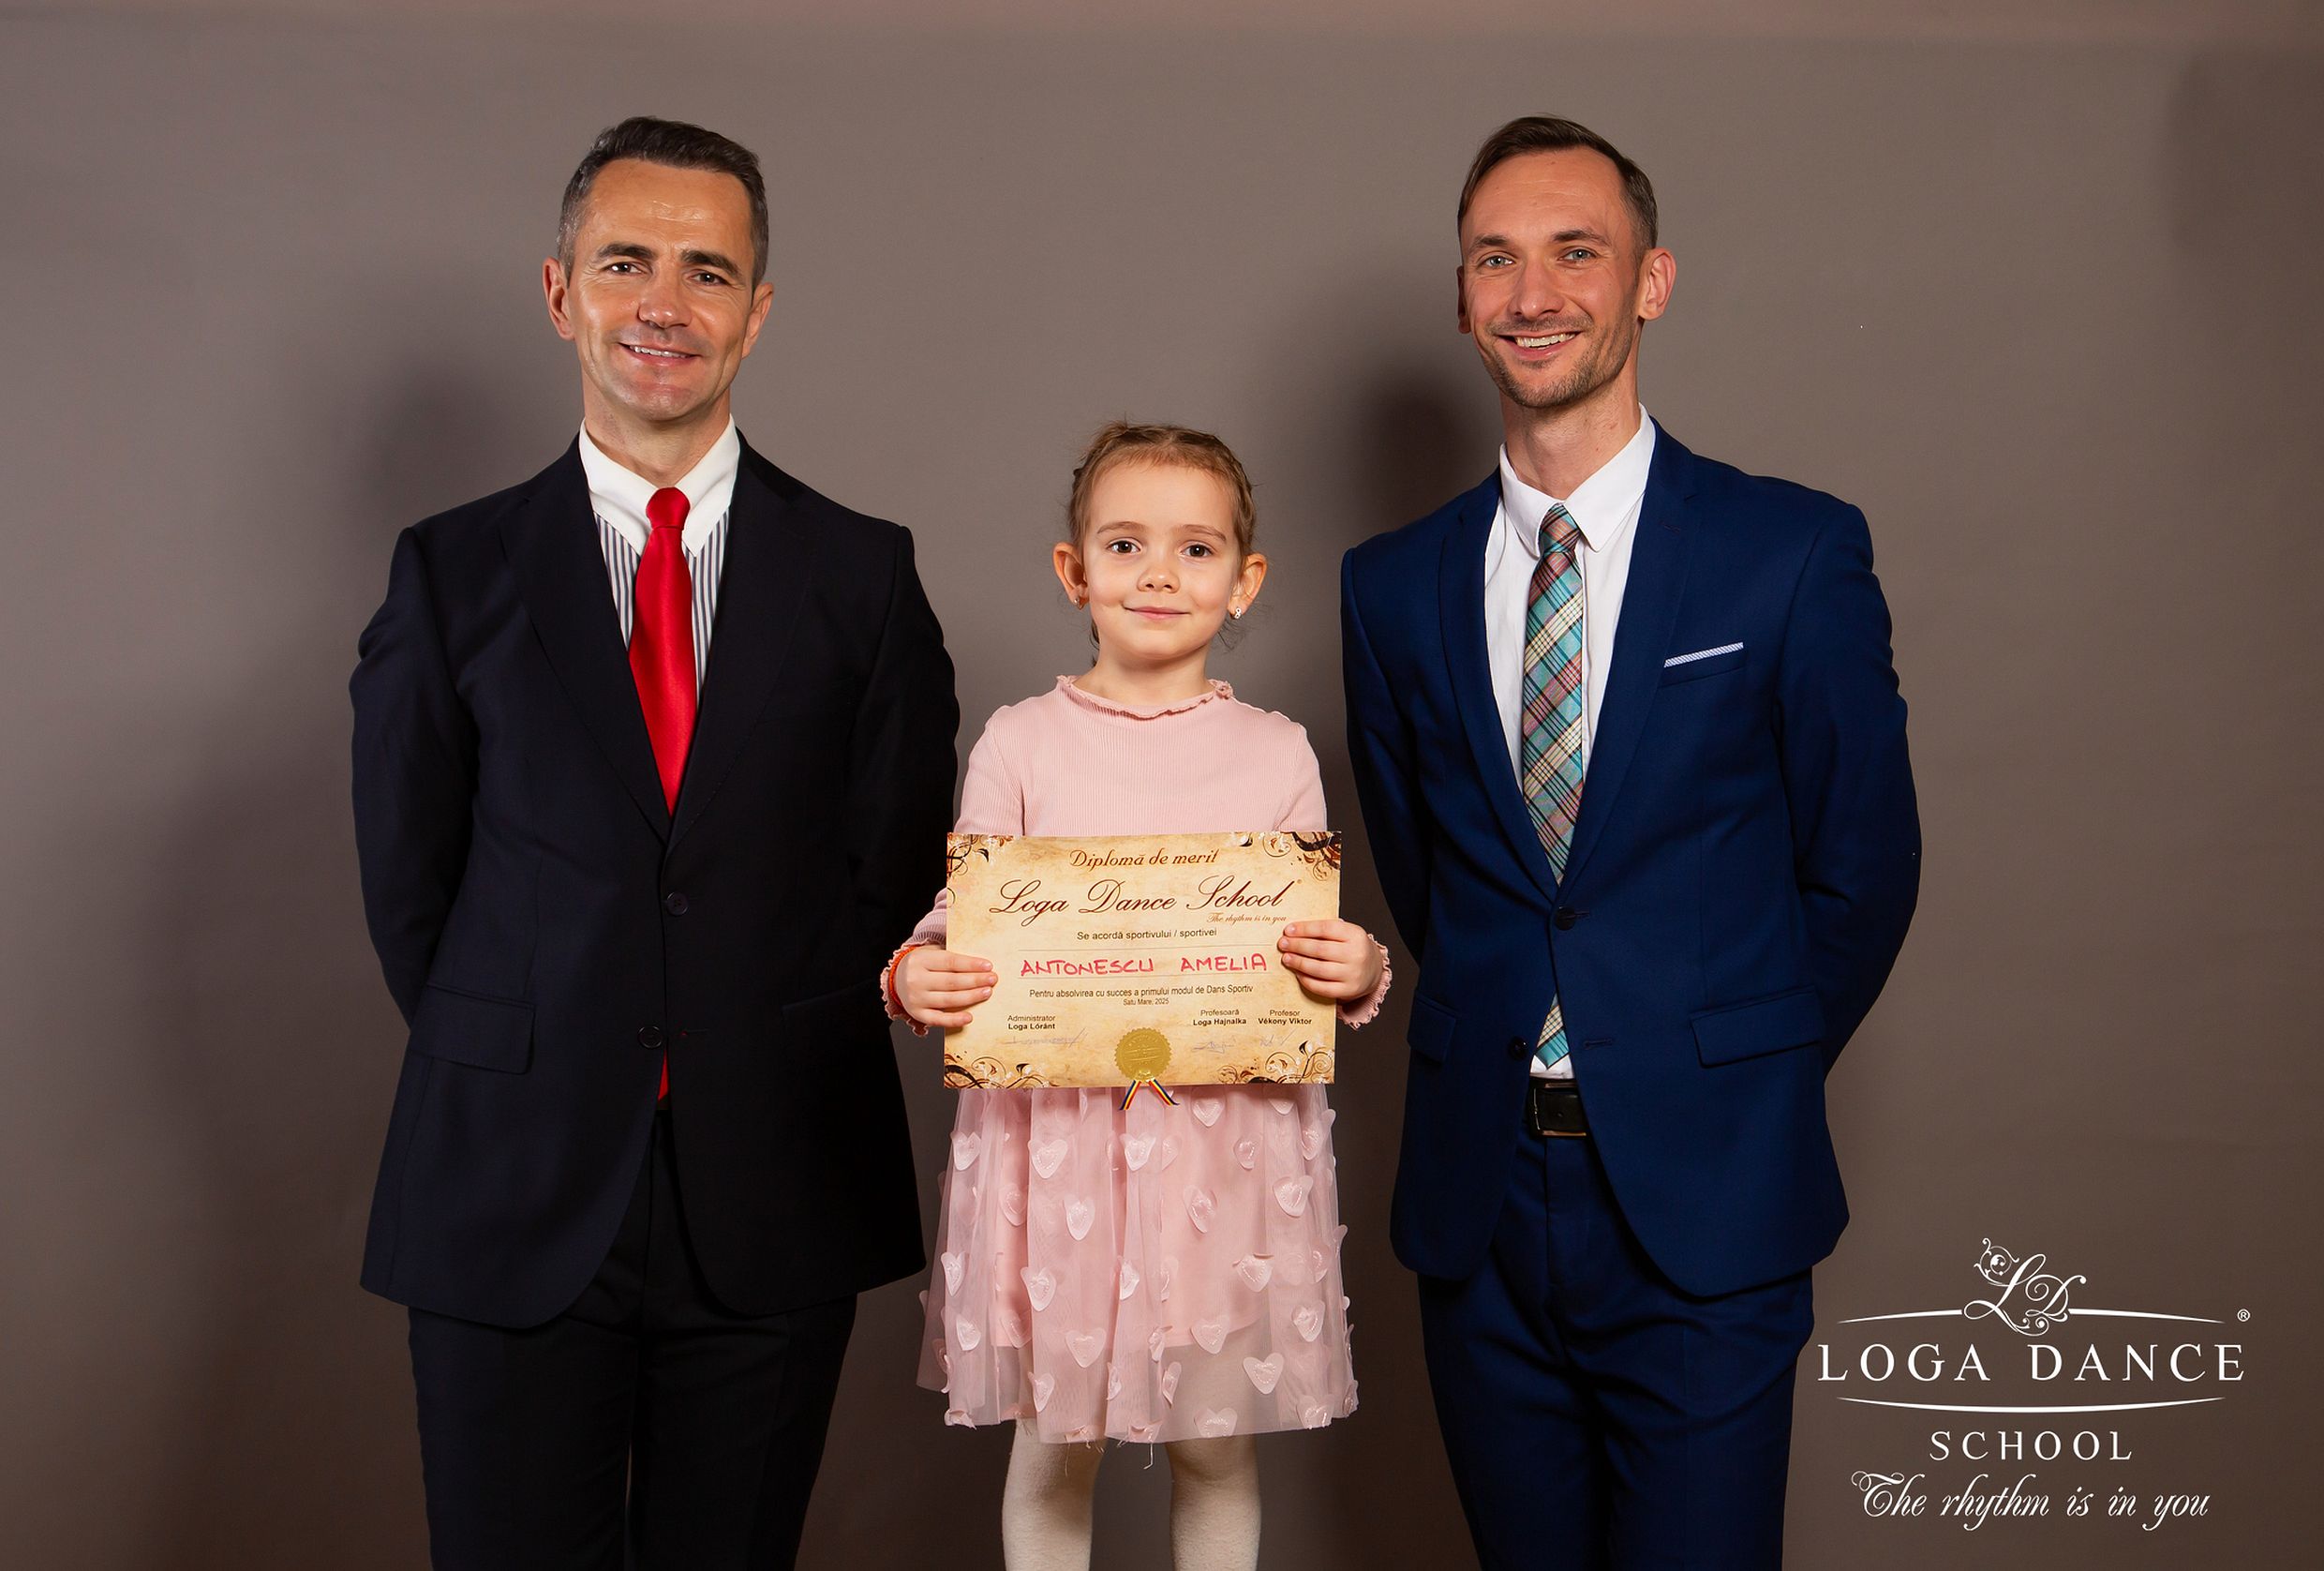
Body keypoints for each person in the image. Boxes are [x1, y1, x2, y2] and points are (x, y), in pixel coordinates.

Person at [349, 116, 956, 1568]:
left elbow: (892, 869)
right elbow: (411, 884)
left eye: (707, 271)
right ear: (561, 292)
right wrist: (550, 1045)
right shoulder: (451, 573)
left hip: (776, 1185)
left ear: (759, 309)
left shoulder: (864, 575)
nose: (664, 305)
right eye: (626, 263)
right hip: (511, 1179)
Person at [1339, 116, 1920, 1568]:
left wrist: (1719, 1067)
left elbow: (1864, 870)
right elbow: (1430, 882)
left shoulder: (1788, 552)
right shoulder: (1391, 587)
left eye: (1574, 253)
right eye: (1495, 259)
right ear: (1461, 297)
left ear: (1651, 282)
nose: (1532, 293)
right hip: (1479, 1207)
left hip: (1708, 1198)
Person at [886, 422, 1389, 1571]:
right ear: (1074, 570)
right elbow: (969, 909)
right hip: (1057, 1152)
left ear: (1242, 580)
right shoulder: (1019, 742)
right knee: (1051, 1452)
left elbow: (1300, 945)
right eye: (1124, 544)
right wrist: (916, 970)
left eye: (1194, 548)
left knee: (1213, 1447)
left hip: (1223, 1155)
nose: (1159, 573)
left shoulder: (1276, 751)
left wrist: (1355, 968)